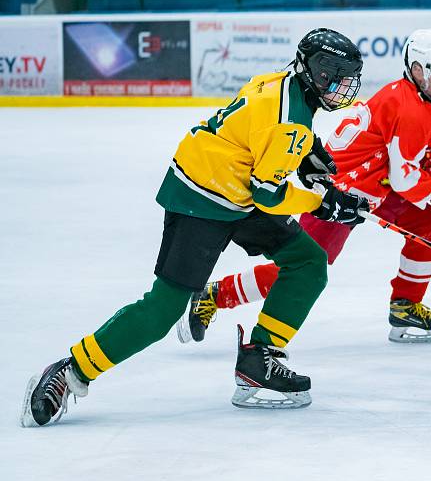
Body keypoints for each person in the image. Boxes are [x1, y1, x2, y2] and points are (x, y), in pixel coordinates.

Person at [20, 28, 369, 426]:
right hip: (201, 197)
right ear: (316, 72)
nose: (344, 85)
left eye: (348, 75)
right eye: (336, 74)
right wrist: (324, 203)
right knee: (163, 309)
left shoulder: (284, 82)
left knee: (307, 261)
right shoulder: (290, 123)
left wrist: (305, 154)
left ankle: (258, 359)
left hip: (236, 187)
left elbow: (258, 134)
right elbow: (269, 196)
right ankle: (70, 371)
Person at [174, 28, 431, 346]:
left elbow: (426, 144)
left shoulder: (413, 98)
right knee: (304, 266)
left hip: (376, 186)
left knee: (426, 225)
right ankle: (215, 295)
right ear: (418, 71)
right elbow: (406, 180)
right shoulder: (409, 106)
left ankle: (405, 306)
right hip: (340, 190)